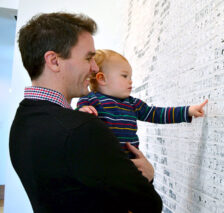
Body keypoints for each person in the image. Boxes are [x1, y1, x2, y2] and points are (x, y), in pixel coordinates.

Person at [9, 12, 162, 213]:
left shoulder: (22, 121)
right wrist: (148, 174)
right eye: (89, 57)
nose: (95, 67)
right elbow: (149, 205)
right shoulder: (82, 129)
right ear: (54, 61)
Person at [77, 49, 208, 158]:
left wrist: (187, 111)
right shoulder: (90, 100)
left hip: (131, 162)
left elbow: (156, 114)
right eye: (124, 76)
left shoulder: (132, 103)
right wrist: (82, 112)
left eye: (130, 77)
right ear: (102, 78)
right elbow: (75, 121)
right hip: (102, 161)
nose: (130, 81)